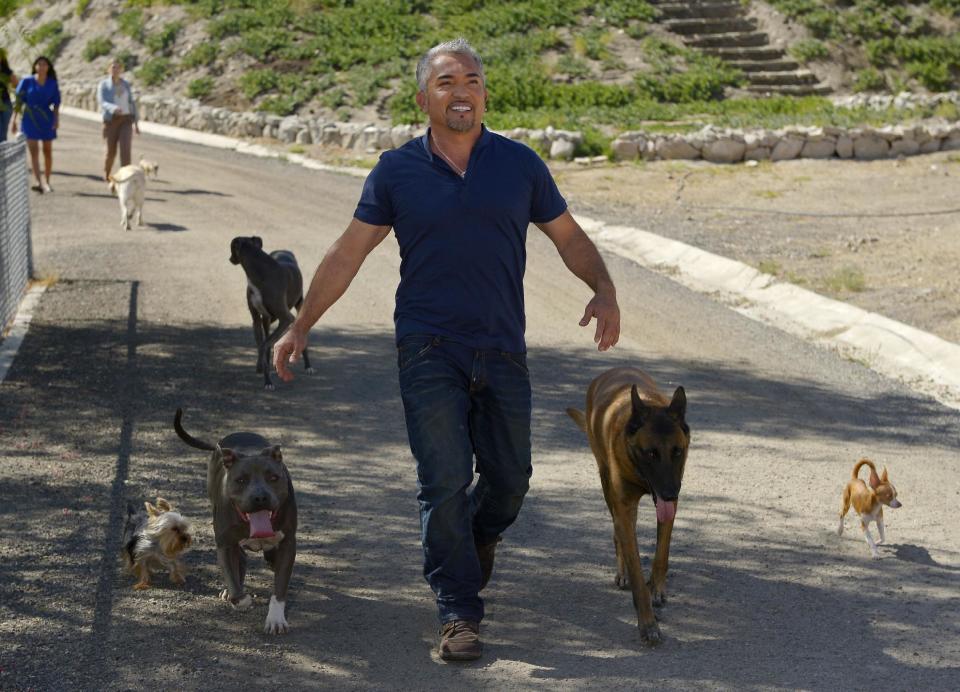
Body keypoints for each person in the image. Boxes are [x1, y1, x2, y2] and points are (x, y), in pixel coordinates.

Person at [272, 38, 620, 662]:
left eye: (473, 79)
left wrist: (603, 286)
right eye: (446, 81)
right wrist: (301, 325)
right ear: (423, 98)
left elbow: (567, 236)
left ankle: (474, 541)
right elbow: (348, 252)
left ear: (485, 91)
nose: (462, 90)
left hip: (502, 346)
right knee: (444, 480)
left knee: (511, 477)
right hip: (428, 346)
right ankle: (459, 611)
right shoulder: (397, 170)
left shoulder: (519, 165)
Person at [12, 55, 59, 192]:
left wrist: (56, 119)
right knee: (34, 152)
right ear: (35, 67)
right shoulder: (27, 81)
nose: (41, 67)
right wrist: (14, 120)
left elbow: (56, 103)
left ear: (48, 67)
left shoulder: (52, 83)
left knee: (47, 151)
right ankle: (39, 182)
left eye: (44, 64)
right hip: (29, 118)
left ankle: (48, 181)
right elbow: (19, 102)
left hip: (46, 118)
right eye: (39, 64)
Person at [97, 58, 140, 182]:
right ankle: (107, 173)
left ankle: (125, 177)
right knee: (110, 152)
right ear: (108, 69)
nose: (115, 70)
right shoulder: (103, 85)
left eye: (118, 67)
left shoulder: (125, 84)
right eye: (113, 67)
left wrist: (136, 123)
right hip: (111, 121)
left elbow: (131, 102)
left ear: (121, 70)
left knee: (126, 149)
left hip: (126, 120)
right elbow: (102, 101)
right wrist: (113, 108)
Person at [0, 48, 18, 143]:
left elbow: (17, 85)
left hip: (6, 104)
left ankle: (3, 156)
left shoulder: (6, 71)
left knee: (3, 134)